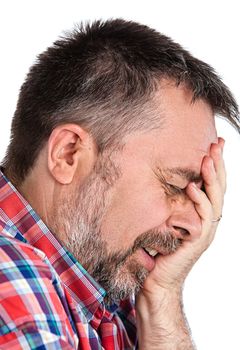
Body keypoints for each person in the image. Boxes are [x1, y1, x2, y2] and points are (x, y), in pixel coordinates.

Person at [0, 18, 239, 350]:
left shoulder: (103, 286)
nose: (194, 224)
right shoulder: (12, 283)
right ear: (68, 154)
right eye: (173, 186)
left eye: (200, 192)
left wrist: (163, 301)